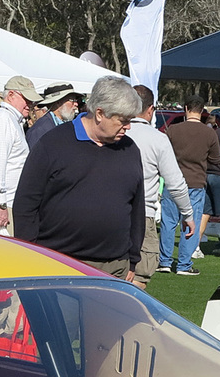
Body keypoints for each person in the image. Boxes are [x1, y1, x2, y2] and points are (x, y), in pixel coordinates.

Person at [14, 76, 143, 279]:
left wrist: (132, 259)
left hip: (115, 267)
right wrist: (30, 255)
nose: (128, 127)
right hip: (59, 263)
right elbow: (26, 203)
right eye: (123, 120)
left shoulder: (130, 149)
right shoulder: (53, 143)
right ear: (100, 113)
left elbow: (137, 208)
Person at [125, 85, 192, 287]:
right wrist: (188, 214)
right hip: (142, 216)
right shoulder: (157, 139)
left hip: (111, 213)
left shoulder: (111, 134)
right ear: (151, 109)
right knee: (139, 276)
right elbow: (176, 183)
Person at [164, 96, 220, 276]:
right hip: (196, 181)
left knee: (168, 222)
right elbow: (215, 159)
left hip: (173, 180)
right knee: (191, 224)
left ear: (186, 108)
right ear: (202, 110)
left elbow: (163, 153)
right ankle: (183, 264)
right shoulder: (209, 133)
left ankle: (164, 261)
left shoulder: (173, 130)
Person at [0, 75, 39, 234]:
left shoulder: (10, 119)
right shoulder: (2, 119)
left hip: (5, 204)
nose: (30, 104)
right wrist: (1, 204)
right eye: (26, 98)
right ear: (11, 95)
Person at [27, 83, 82, 149]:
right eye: (72, 100)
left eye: (76, 100)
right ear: (58, 102)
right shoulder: (40, 129)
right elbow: (35, 157)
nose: (76, 104)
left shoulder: (65, 124)